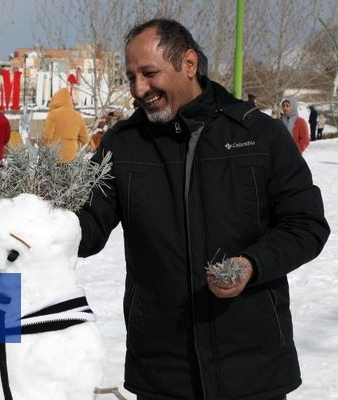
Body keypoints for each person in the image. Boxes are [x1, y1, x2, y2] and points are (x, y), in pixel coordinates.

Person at [77, 19, 330, 400]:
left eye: (148, 73)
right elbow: (87, 226)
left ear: (189, 64)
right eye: (131, 77)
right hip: (161, 369)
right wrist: (35, 218)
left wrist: (253, 264)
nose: (138, 89)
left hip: (253, 368)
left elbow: (306, 224)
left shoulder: (258, 135)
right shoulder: (123, 145)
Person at [41, 88, 89, 162]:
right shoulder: (78, 116)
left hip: (54, 154)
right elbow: (85, 139)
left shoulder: (53, 114)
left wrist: (43, 147)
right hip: (72, 155)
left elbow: (47, 135)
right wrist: (72, 143)